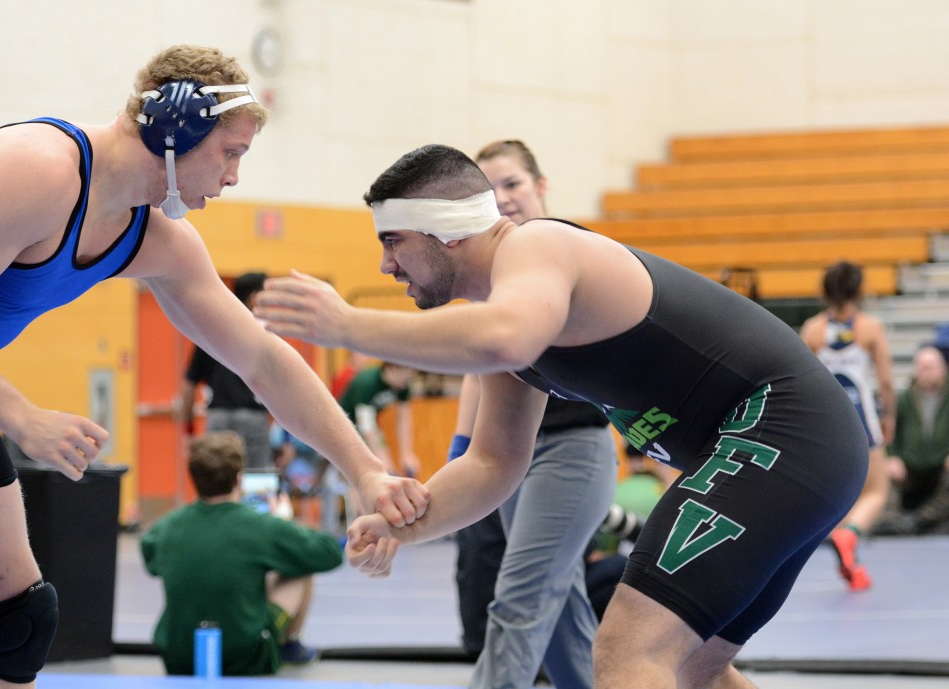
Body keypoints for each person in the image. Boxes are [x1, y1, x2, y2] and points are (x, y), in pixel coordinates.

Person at [258, 143, 869, 689]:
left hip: (780, 431)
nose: (386, 268)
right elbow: (494, 464)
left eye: (393, 242)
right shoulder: (501, 316)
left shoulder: (537, 247)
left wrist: (348, 326)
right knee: (692, 668)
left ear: (445, 231)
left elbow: (509, 338)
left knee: (629, 647)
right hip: (795, 446)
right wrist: (403, 524)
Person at [0, 44, 427, 688]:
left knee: (15, 621)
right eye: (231, 151)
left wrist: (364, 470)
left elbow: (263, 359)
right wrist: (21, 416)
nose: (234, 176)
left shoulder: (151, 239)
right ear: (176, 127)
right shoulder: (43, 170)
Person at [449, 140, 615, 689]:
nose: (502, 198)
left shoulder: (571, 251)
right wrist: (462, 446)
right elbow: (484, 367)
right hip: (507, 457)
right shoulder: (489, 271)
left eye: (512, 183)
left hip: (569, 449)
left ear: (541, 186)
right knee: (559, 605)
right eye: (488, 190)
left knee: (519, 597)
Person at [141, 431, 341, 674]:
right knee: (300, 569)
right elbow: (329, 553)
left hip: (179, 657)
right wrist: (283, 523)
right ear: (239, 479)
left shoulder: (165, 528)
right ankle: (289, 645)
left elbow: (150, 558)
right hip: (247, 657)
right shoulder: (260, 526)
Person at [800, 260, 895, 591]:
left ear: (823, 292)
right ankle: (848, 536)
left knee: (841, 496)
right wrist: (890, 416)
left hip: (827, 423)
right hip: (862, 418)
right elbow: (884, 381)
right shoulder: (870, 328)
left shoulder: (812, 329)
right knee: (876, 491)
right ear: (859, 291)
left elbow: (801, 381)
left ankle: (851, 559)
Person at [181, 271, 275, 469]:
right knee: (256, 486)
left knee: (216, 482)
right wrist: (285, 438)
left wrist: (188, 430)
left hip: (218, 419)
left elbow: (189, 384)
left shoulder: (211, 330)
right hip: (253, 419)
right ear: (253, 297)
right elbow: (283, 386)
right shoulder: (264, 333)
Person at [874, 346, 949, 534]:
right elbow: (889, 432)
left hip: (942, 465)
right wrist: (891, 457)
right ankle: (890, 520)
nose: (924, 372)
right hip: (910, 466)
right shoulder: (903, 400)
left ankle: (926, 518)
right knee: (885, 469)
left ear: (943, 369)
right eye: (921, 367)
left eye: (930, 367)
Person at [339, 361, 421, 478]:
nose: (407, 383)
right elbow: (366, 426)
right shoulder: (367, 382)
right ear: (393, 368)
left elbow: (404, 420)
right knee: (367, 468)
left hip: (369, 425)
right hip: (346, 426)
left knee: (384, 458)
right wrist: (383, 458)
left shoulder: (402, 385)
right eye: (406, 378)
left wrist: (406, 454)